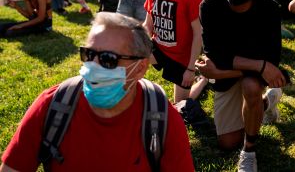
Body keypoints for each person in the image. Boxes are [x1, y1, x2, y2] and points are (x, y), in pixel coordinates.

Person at [0, 12, 194, 171]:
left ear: (141, 68)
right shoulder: (52, 105)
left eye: (108, 59)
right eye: (88, 54)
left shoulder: (163, 120)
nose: (93, 66)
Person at [195, 0, 286, 172]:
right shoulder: (209, 6)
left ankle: (249, 150)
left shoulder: (270, 9)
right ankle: (265, 104)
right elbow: (215, 55)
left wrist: (221, 71)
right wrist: (259, 66)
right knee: (227, 142)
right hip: (238, 73)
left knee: (251, 86)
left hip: (242, 75)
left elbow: (272, 58)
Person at [143, 0, 203, 103]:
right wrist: (135, 44)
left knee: (180, 105)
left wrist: (190, 69)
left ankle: (203, 80)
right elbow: (148, 24)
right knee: (128, 60)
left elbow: (198, 34)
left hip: (182, 57)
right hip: (158, 48)